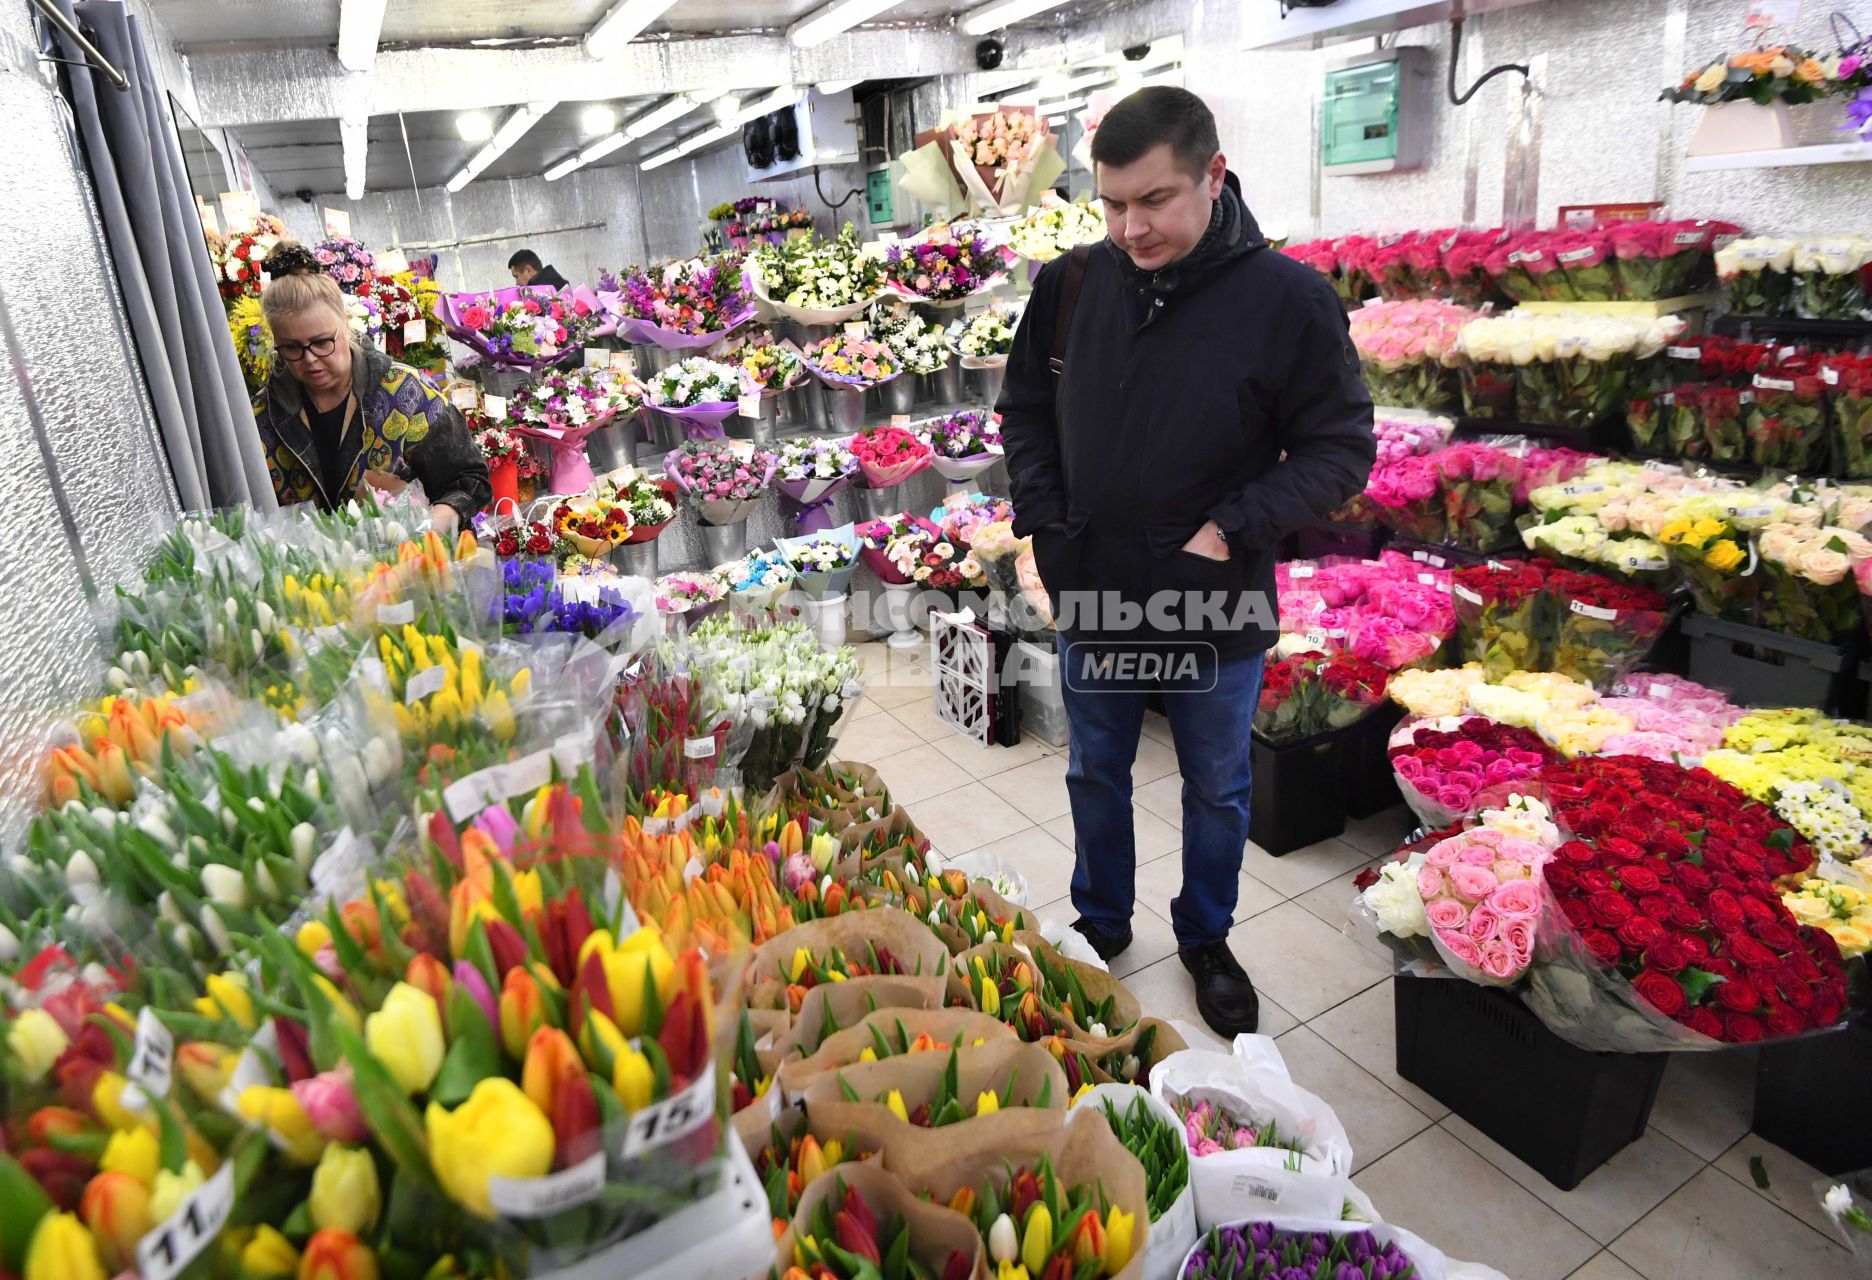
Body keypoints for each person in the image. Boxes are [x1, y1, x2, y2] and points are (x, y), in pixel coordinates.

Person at [997, 87, 1375, 1037]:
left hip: (1215, 595)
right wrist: (1045, 523)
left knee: (1218, 784)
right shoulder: (1072, 285)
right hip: (1096, 585)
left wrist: (1233, 526)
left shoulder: (1284, 300)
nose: (1132, 227)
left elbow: (1340, 448)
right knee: (1096, 770)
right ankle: (1102, 923)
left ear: (1214, 174)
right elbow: (1027, 416)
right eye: (1113, 203)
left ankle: (1206, 937)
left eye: (1155, 200)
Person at [254, 242, 491, 528]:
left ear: (345, 323)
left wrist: (434, 524)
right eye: (291, 348)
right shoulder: (263, 415)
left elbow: (468, 479)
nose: (310, 359)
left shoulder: (407, 393)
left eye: (321, 342)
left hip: (412, 562)